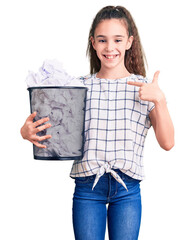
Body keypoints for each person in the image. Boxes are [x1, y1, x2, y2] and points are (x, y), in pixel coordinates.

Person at [20, 5, 174, 240]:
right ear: (93, 43)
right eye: (102, 40)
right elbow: (47, 122)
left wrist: (160, 100)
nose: (110, 47)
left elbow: (168, 142)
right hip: (87, 187)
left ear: (129, 42)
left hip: (127, 189)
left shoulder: (144, 88)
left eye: (117, 40)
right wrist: (26, 131)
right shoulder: (77, 87)